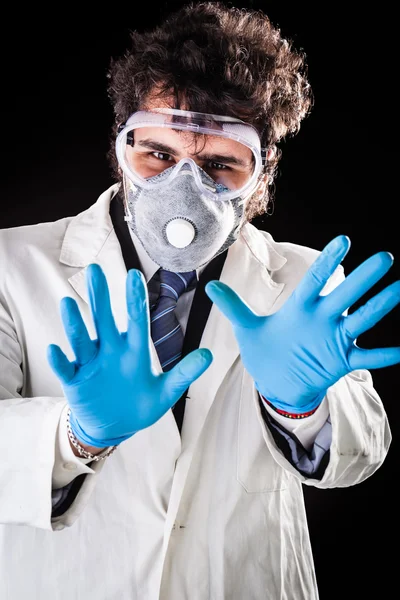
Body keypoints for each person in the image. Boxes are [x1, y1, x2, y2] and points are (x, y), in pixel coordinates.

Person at [0, 2, 398, 598]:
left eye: (220, 164)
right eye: (157, 154)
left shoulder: (305, 280)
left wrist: (299, 409)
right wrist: (77, 435)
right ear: (120, 149)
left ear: (261, 175)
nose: (184, 186)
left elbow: (357, 459)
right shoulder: (10, 264)